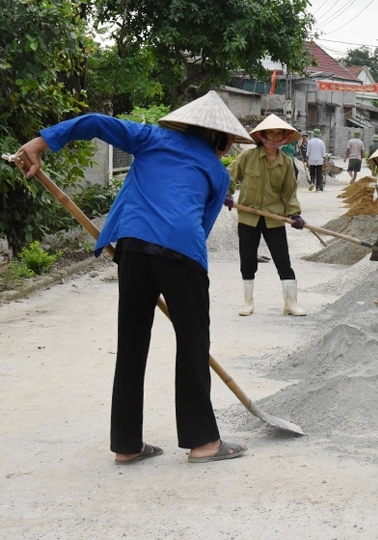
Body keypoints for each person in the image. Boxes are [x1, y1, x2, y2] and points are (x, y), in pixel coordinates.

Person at [12, 90, 252, 464]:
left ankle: (127, 445)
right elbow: (200, 229)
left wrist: (42, 142)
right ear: (220, 138)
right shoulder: (217, 173)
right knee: (192, 343)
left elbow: (94, 122)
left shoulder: (150, 138)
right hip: (182, 253)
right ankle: (203, 442)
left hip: (134, 250)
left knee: (132, 344)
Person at [224, 113, 307, 317]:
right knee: (248, 260)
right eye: (271, 133)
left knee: (283, 260)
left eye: (279, 134)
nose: (275, 137)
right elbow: (229, 175)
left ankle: (290, 304)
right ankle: (248, 303)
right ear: (262, 136)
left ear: (284, 137)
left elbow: (289, 193)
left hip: (274, 218)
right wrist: (226, 194)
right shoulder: (248, 157)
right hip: (248, 217)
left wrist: (294, 215)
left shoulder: (286, 163)